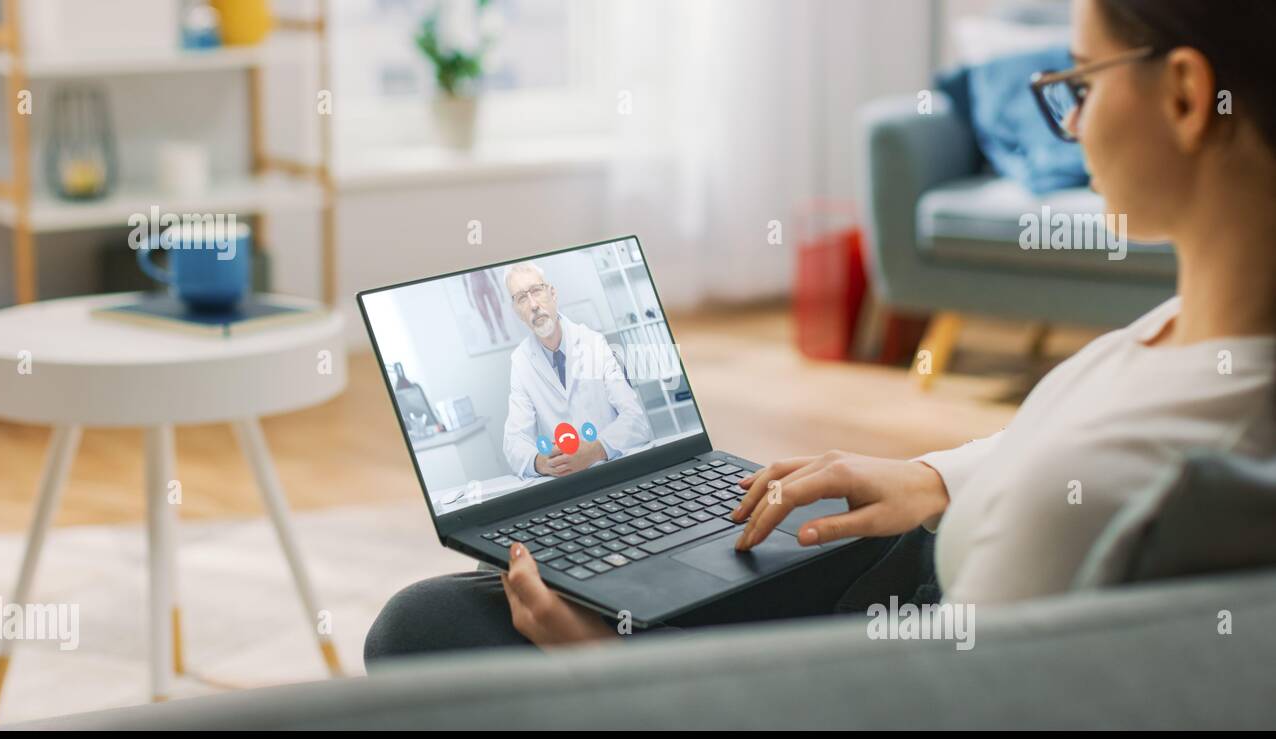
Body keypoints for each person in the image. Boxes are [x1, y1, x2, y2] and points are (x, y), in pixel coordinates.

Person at [364, 0, 1276, 660]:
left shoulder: (1124, 484)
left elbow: (914, 714)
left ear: (1189, 97)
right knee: (480, 606)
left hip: (893, 628)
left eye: (1077, 82)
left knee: (424, 631)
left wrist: (610, 676)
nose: (1069, 121)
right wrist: (930, 477)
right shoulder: (1196, 333)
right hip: (917, 551)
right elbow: (1063, 442)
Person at [500, 261, 650, 479]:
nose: (533, 304)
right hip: (567, 482)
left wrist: (595, 450)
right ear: (517, 312)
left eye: (536, 291)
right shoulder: (521, 362)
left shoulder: (593, 342)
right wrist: (539, 461)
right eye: (522, 297)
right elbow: (514, 441)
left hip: (614, 472)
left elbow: (636, 421)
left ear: (552, 293)